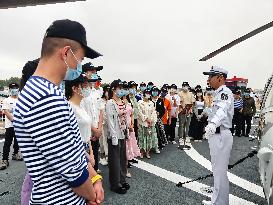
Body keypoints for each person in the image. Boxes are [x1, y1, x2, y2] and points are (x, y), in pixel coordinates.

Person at [13, 19, 104, 205]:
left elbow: (73, 150)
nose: (80, 65)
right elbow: (74, 173)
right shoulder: (45, 98)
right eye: (81, 59)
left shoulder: (44, 91)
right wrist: (92, 194)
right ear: (65, 53)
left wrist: (95, 178)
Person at [202, 66, 234, 205]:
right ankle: (217, 201)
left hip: (220, 134)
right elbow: (217, 110)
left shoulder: (224, 92)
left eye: (211, 76)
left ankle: (220, 203)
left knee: (220, 172)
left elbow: (222, 110)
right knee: (217, 171)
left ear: (220, 77)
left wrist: (213, 124)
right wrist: (207, 112)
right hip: (217, 134)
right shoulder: (218, 93)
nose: (208, 79)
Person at [106, 79, 130, 194]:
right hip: (114, 134)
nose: (121, 90)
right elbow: (110, 121)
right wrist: (113, 136)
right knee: (114, 160)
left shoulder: (122, 101)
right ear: (113, 89)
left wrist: (127, 130)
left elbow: (125, 117)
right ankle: (115, 184)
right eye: (119, 88)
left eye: (122, 88)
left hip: (122, 132)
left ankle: (122, 179)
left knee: (122, 158)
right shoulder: (110, 103)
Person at [81, 62, 104, 173]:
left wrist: (99, 129)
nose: (95, 74)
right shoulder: (81, 92)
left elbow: (100, 110)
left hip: (96, 131)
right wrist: (93, 130)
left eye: (96, 72)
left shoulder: (97, 92)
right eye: (92, 71)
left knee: (95, 152)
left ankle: (95, 175)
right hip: (86, 131)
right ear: (84, 73)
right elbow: (81, 114)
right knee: (86, 158)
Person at [0, 82, 23, 170]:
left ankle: (15, 154)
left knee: (17, 141)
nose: (15, 90)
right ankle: (5, 160)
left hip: (19, 125)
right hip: (10, 125)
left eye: (16, 88)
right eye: (13, 88)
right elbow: (6, 112)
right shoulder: (7, 100)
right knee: (7, 143)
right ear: (10, 90)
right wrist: (14, 120)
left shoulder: (21, 100)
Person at [138, 89, 158, 158]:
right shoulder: (140, 102)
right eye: (146, 93)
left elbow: (153, 112)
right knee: (142, 137)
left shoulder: (151, 103)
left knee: (149, 138)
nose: (148, 95)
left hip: (150, 123)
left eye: (149, 93)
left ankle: (147, 152)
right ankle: (141, 152)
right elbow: (139, 112)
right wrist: (146, 119)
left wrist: (151, 120)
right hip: (143, 123)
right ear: (143, 94)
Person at [99, 85, 110, 166]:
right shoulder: (101, 101)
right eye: (107, 91)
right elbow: (102, 112)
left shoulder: (111, 101)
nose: (108, 93)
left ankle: (108, 155)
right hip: (103, 124)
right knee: (103, 140)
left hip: (111, 124)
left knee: (109, 140)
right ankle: (104, 156)